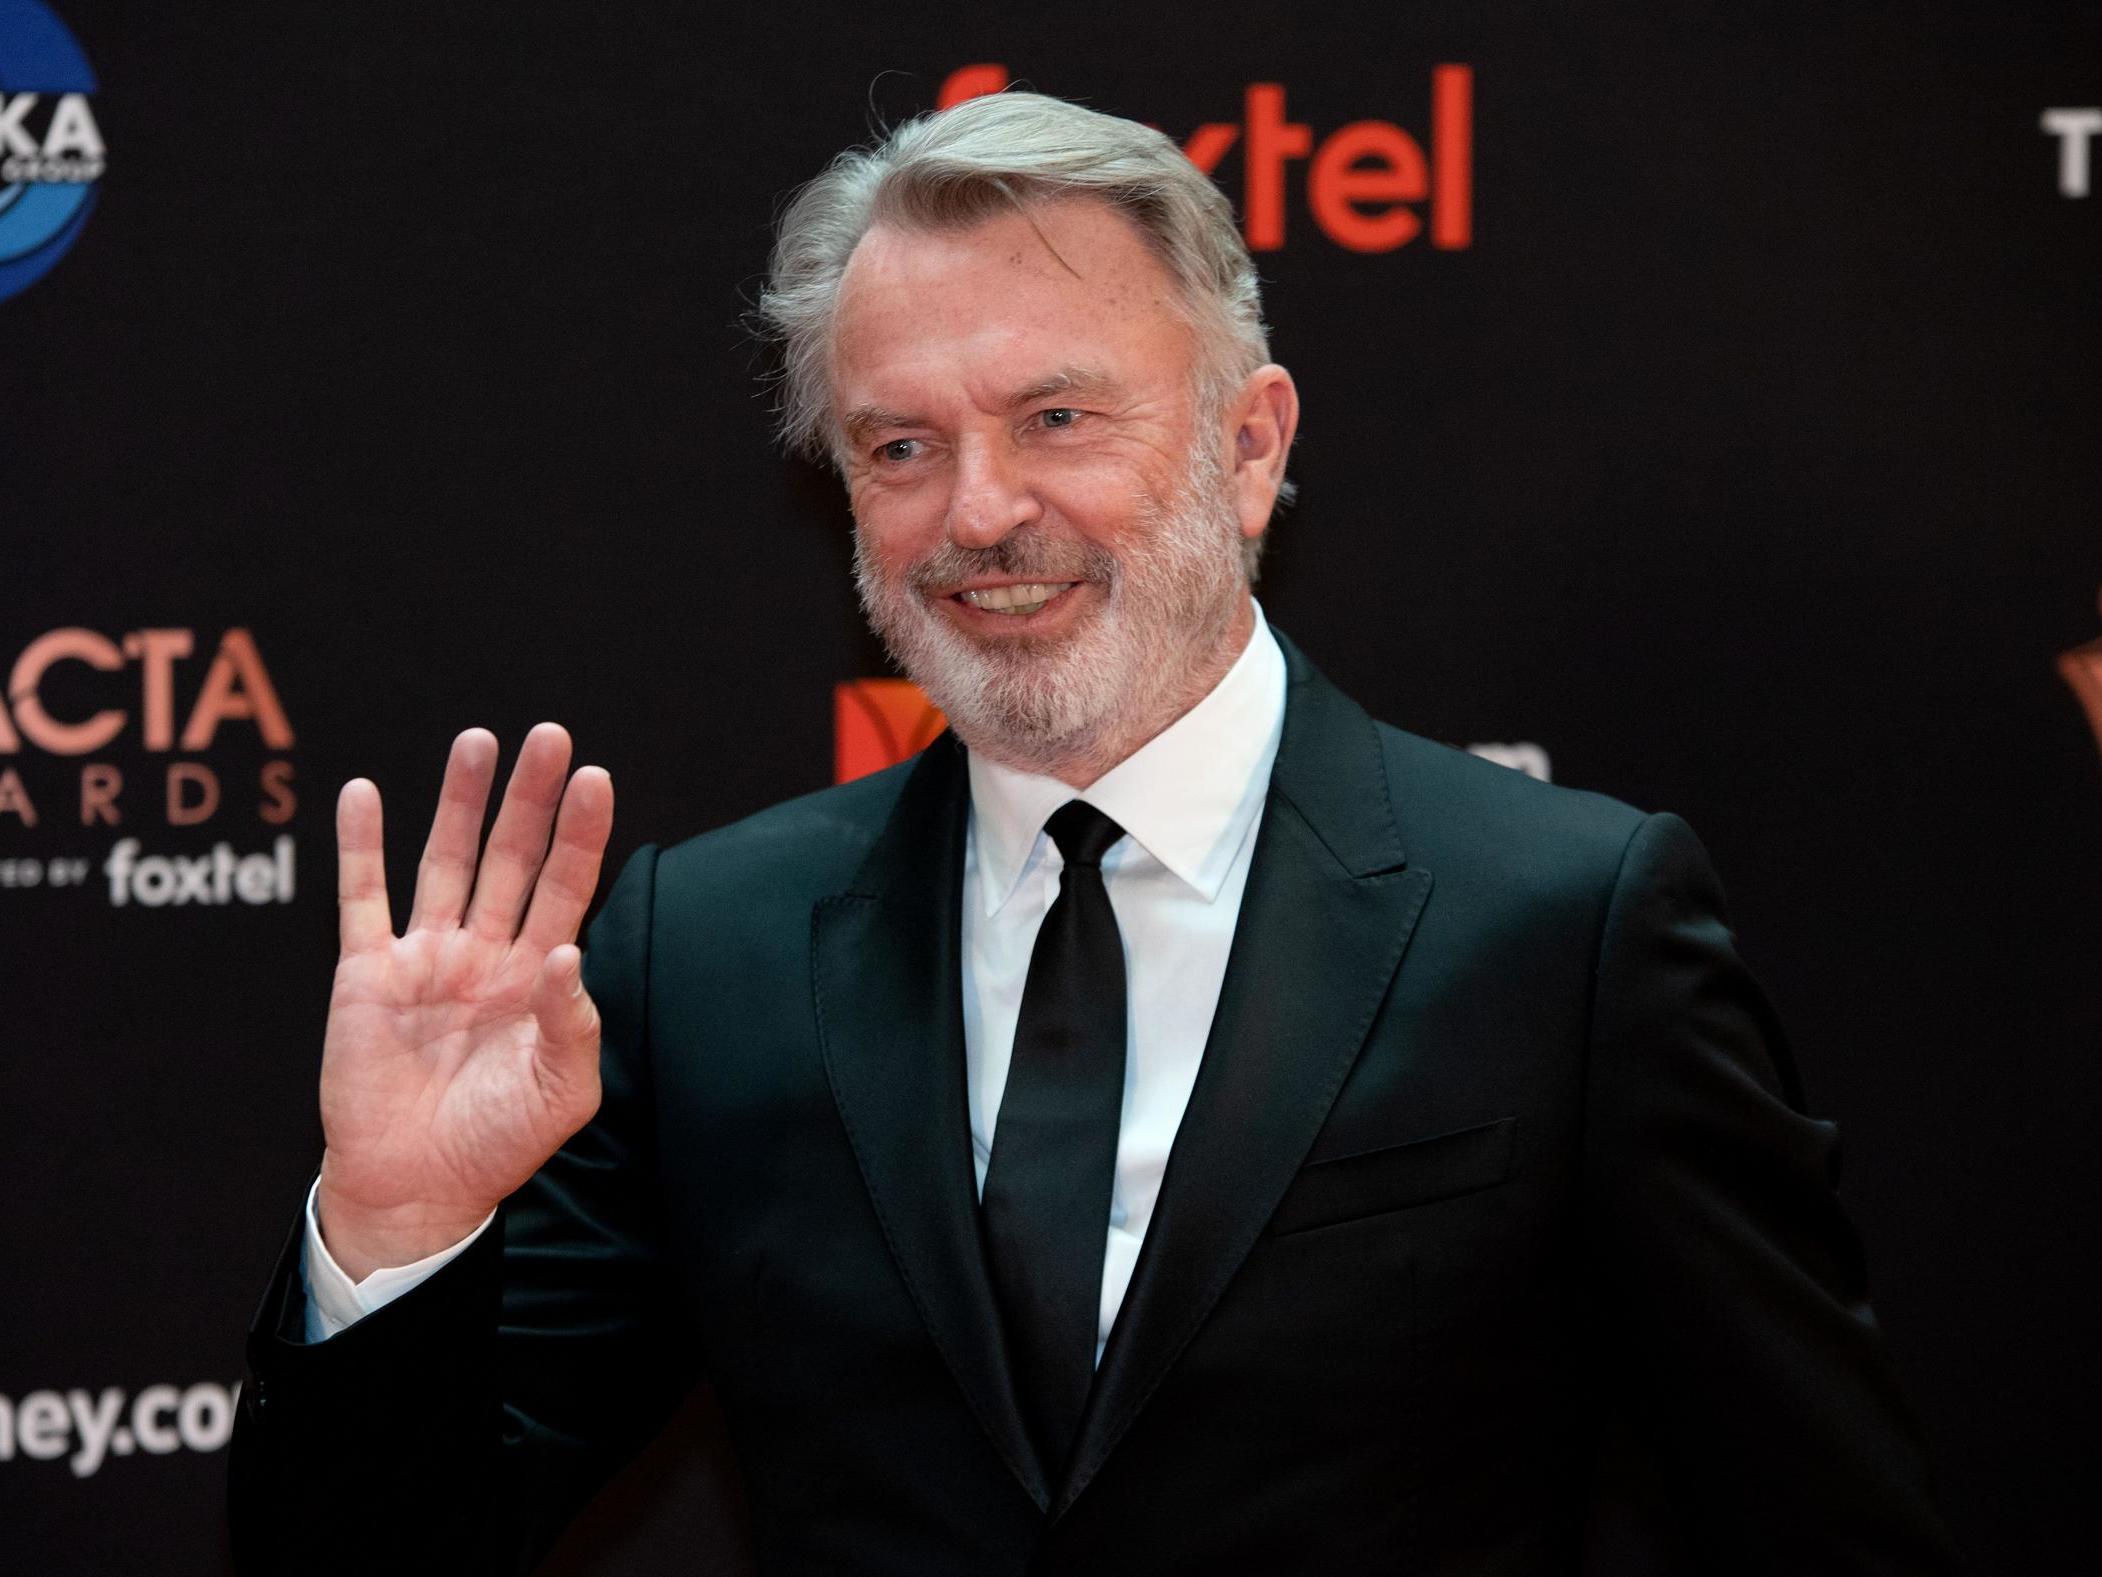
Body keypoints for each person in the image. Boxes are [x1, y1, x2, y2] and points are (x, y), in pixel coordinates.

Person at [229, 91, 1957, 1574]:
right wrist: (393, 1236)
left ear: (1249, 444)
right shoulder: (711, 950)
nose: (979, 510)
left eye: (1057, 417)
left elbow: (1824, 1525)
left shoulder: (1565, 928)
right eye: (899, 445)